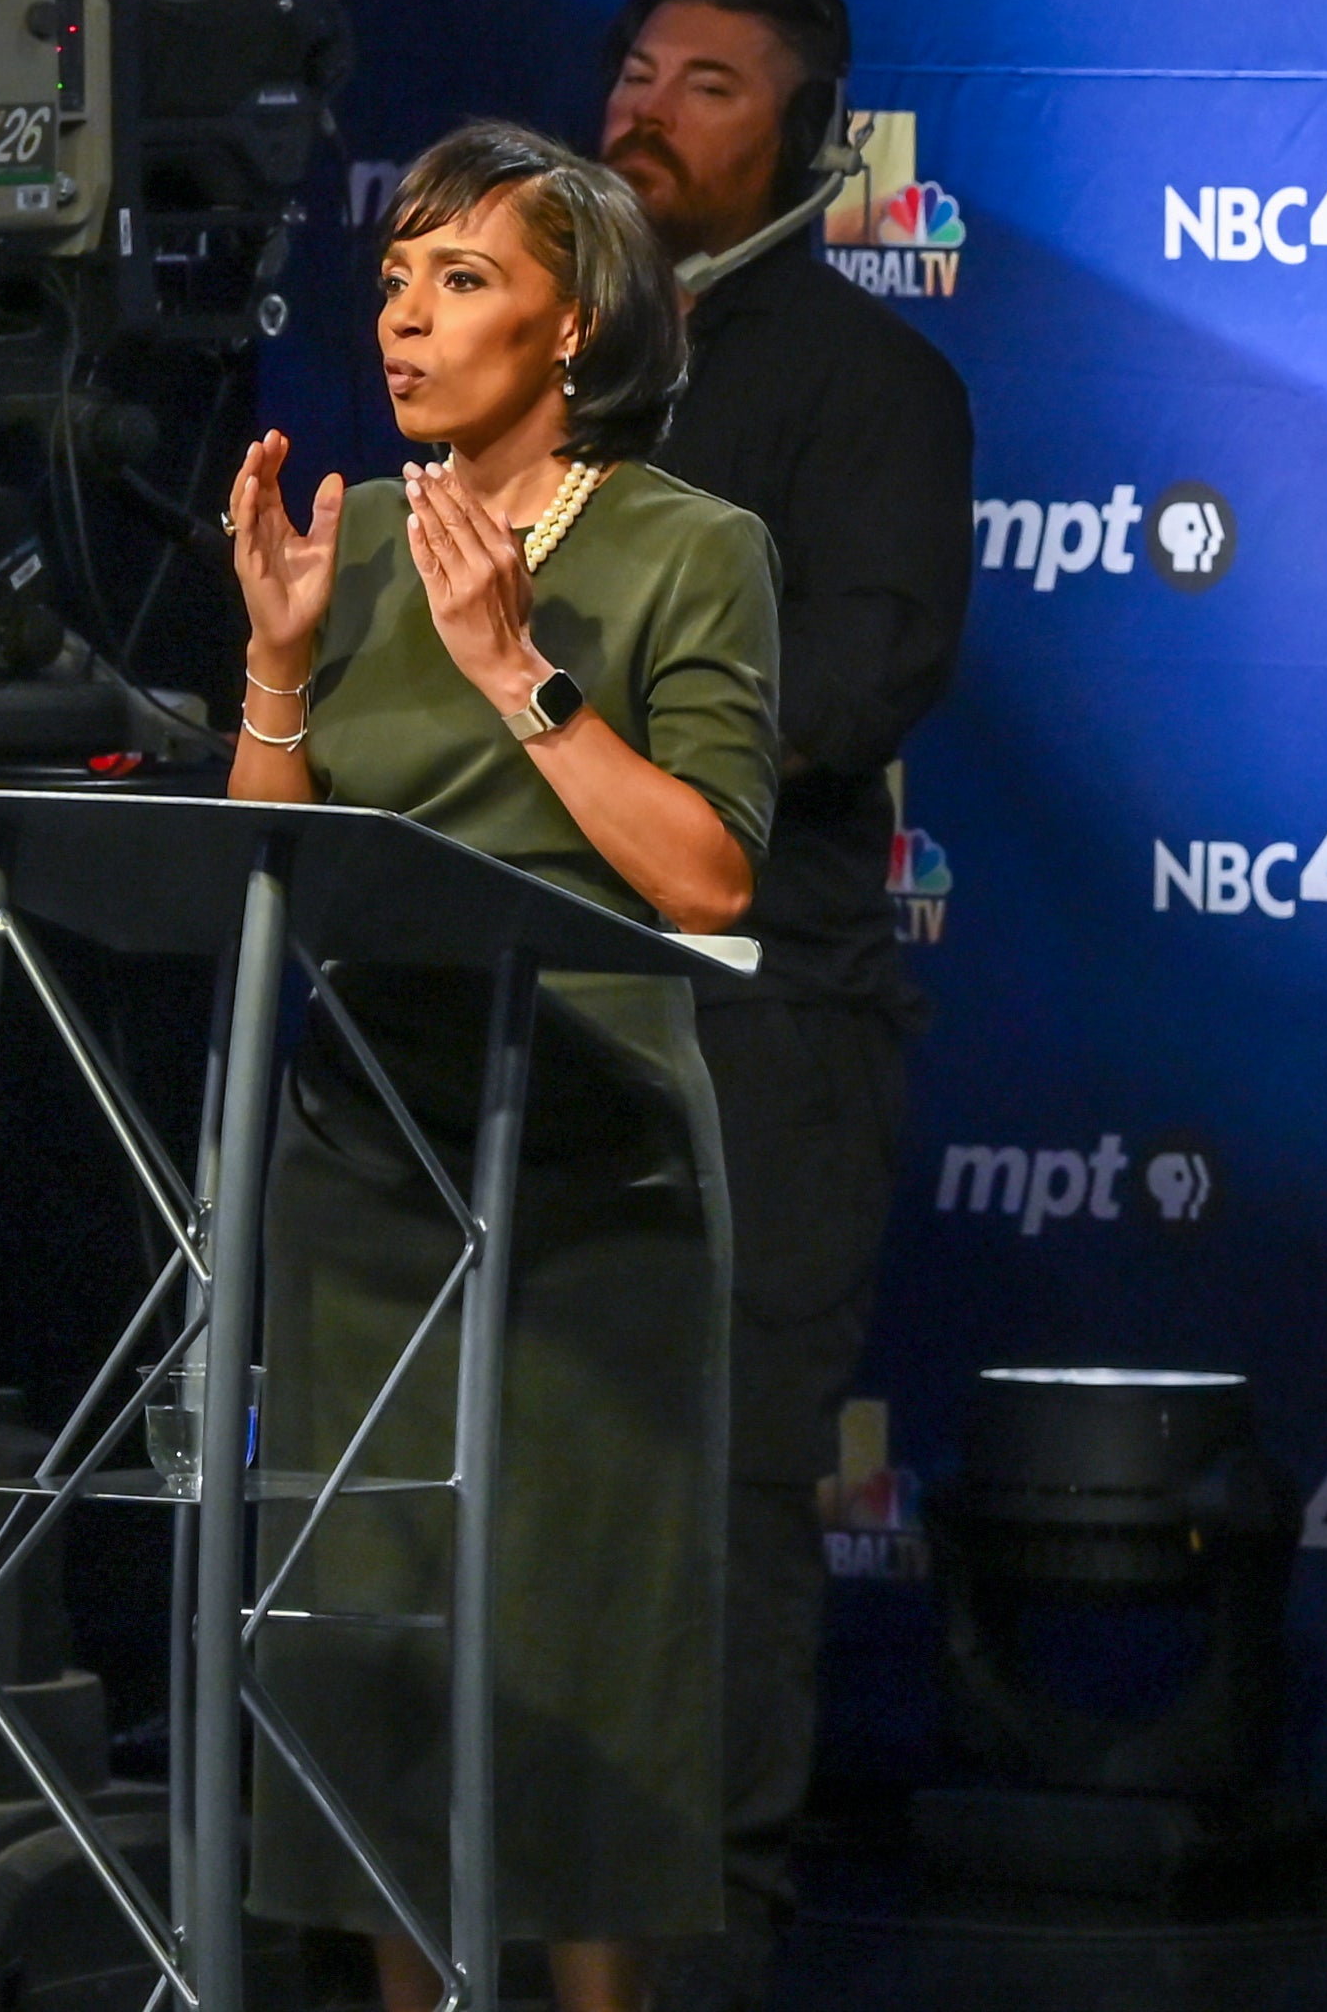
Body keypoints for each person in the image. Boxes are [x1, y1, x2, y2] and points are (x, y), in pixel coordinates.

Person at [222, 121, 782, 2012]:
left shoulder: (689, 551)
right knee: (379, 1637)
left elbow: (708, 874)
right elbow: (265, 878)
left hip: (587, 1165)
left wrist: (515, 674)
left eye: (463, 281)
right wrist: (283, 665)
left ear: (574, 329)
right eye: (395, 275)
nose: (406, 318)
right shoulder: (354, 537)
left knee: (574, 1650)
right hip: (368, 1160)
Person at [594, 0, 975, 2000]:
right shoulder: (516, 361)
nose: (647, 107)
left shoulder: (867, 383)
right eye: (638, 70)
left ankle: (692, 1943)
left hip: (756, 1027)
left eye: (710, 84)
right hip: (511, 1021)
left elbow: (857, 678)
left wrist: (570, 728)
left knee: (724, 1511)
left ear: (805, 143)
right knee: (520, 1501)